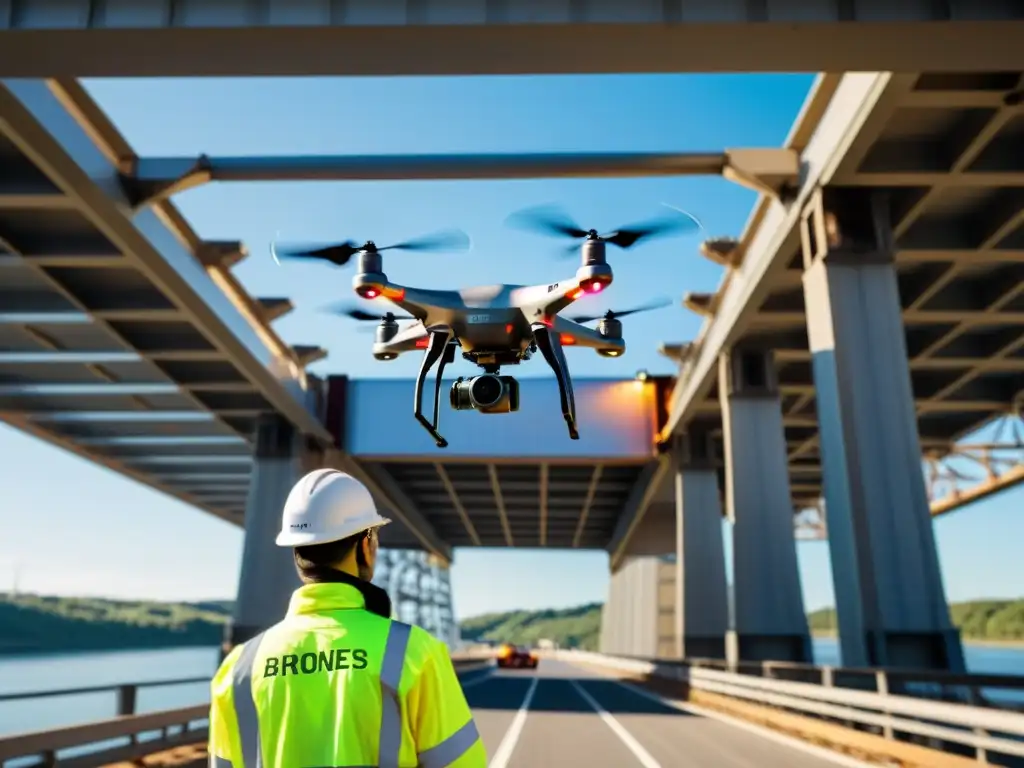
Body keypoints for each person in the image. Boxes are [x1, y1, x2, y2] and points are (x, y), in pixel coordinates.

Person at [208, 468, 487, 768]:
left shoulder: (237, 669)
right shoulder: (413, 653)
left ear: (296, 552)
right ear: (365, 546)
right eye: (374, 537)